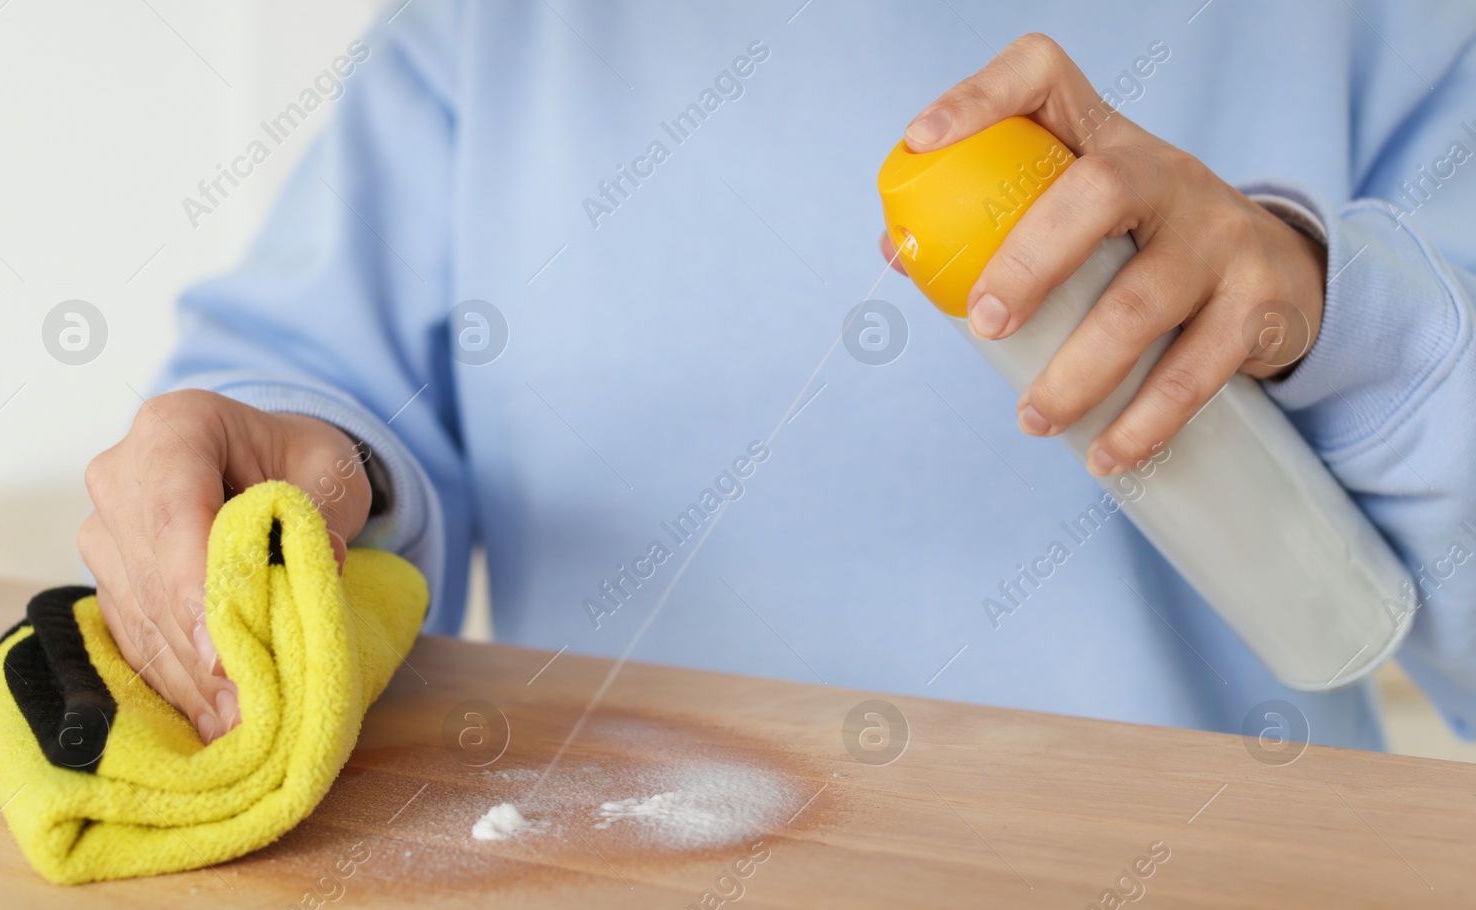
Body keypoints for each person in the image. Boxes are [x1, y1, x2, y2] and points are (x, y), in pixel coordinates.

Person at [79, 1, 1476, 752]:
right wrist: (296, 474)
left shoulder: (1377, 21)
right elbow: (322, 407)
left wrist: (1335, 299)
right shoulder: (489, 29)